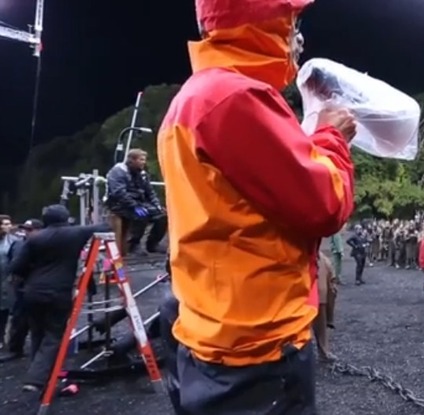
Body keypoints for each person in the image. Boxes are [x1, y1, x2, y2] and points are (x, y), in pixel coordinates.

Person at [156, 0, 356, 412]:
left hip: (218, 331)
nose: (298, 37)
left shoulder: (197, 95)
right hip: (257, 349)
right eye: (291, 21)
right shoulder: (234, 97)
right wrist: (331, 138)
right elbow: (326, 204)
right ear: (259, 22)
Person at [9, 205, 110, 392]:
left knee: (38, 333)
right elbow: (105, 227)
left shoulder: (34, 239)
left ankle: (42, 377)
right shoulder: (75, 233)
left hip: (32, 291)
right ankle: (36, 379)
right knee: (54, 335)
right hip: (59, 291)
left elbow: (17, 267)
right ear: (66, 218)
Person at [105, 148, 167, 256]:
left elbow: (150, 191)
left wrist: (156, 204)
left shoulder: (142, 174)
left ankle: (152, 244)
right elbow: (119, 193)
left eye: (144, 160)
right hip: (119, 205)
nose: (144, 162)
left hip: (139, 203)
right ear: (131, 160)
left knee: (162, 215)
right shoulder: (117, 172)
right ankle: (133, 244)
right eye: (141, 160)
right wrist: (135, 206)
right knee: (141, 215)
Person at [0, 219, 43, 363]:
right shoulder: (19, 243)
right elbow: (14, 264)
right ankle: (16, 348)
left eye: (30, 230)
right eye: (25, 229)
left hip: (39, 287)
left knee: (40, 322)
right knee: (18, 319)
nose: (26, 232)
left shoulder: (46, 244)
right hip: (22, 286)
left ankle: (40, 352)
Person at [0, 214, 19, 351]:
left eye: (8, 224)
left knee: (5, 310)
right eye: (4, 224)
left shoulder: (14, 240)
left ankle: (3, 337)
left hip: (7, 279)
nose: (7, 226)